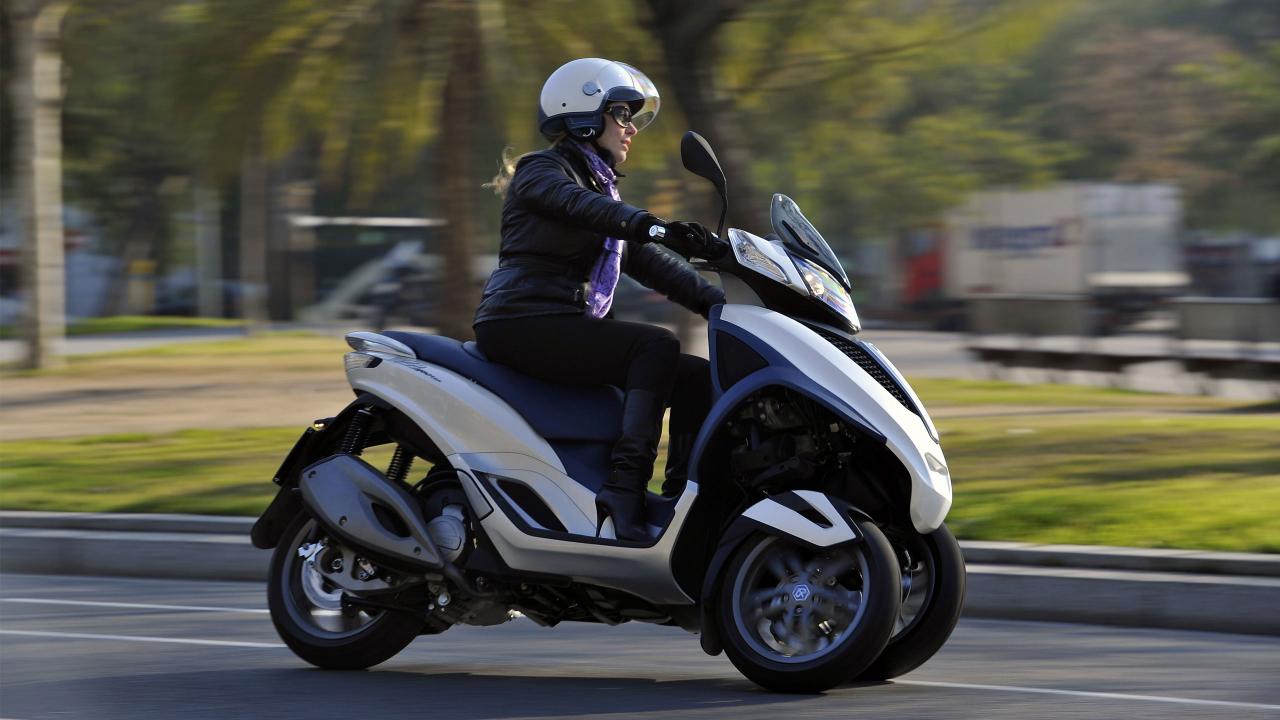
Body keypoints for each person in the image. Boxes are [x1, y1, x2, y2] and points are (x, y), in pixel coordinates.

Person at [473, 58, 725, 542]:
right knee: (655, 345)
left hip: (560, 322)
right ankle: (624, 489)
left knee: (696, 376)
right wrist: (650, 224)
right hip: (520, 320)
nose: (631, 129)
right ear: (584, 114)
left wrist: (724, 306)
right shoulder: (542, 172)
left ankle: (681, 500)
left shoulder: (600, 189)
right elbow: (581, 207)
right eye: (622, 114)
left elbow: (655, 265)